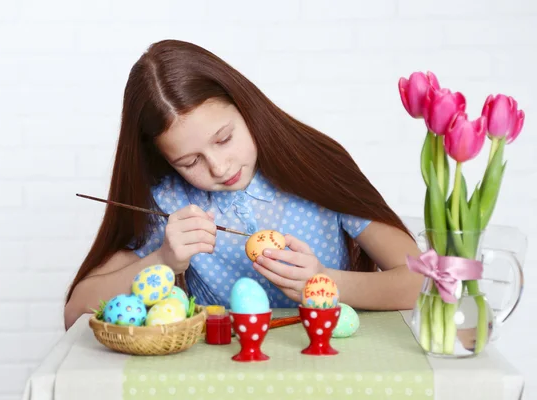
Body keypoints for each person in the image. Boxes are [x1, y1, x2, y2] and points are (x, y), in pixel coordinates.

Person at [63, 39, 423, 330]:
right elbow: (77, 311)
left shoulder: (317, 165)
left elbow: (421, 283)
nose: (219, 167)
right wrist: (163, 260)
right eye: (190, 162)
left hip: (329, 366)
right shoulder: (169, 201)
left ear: (246, 107)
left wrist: (324, 281)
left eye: (223, 139)